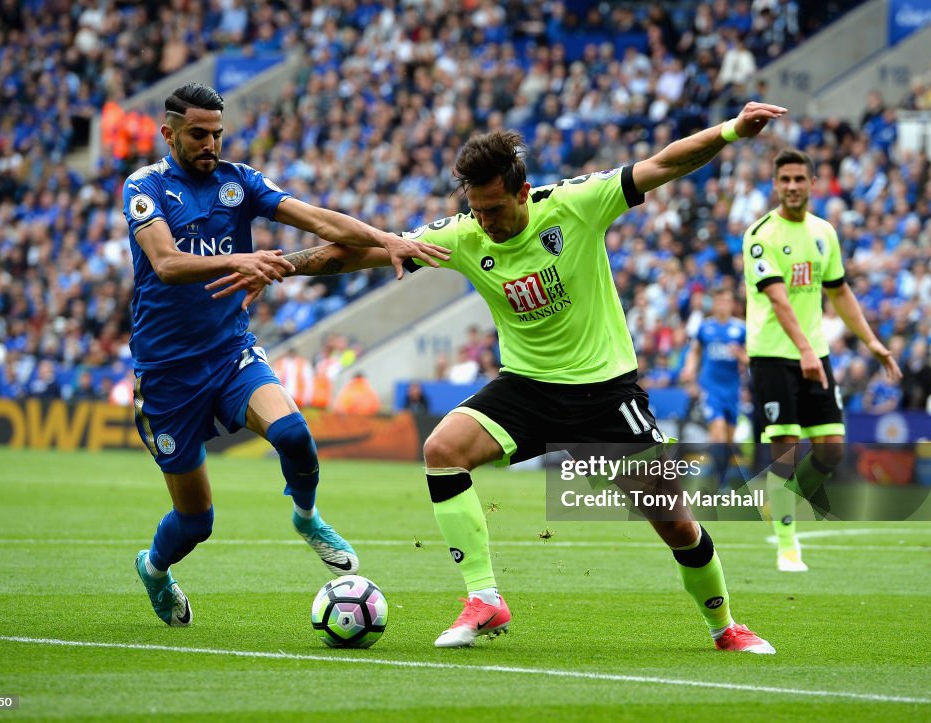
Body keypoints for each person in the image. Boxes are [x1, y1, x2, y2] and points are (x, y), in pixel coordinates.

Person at [218, 102, 788, 653]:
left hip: (604, 390)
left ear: (521, 192)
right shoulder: (464, 233)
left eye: (492, 208)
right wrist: (283, 265)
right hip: (527, 387)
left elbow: (665, 162)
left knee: (675, 522)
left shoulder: (576, 204)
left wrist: (732, 130)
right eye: (475, 209)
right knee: (442, 448)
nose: (483, 222)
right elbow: (359, 255)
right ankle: (484, 598)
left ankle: (726, 628)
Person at [123, 82, 448, 626]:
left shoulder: (239, 182)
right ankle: (155, 569)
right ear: (169, 133)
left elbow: (319, 220)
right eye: (198, 134)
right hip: (166, 374)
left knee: (294, 435)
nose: (210, 144)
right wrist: (243, 263)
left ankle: (307, 517)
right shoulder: (146, 187)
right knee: (196, 522)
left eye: (217, 134)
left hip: (230, 356)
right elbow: (167, 263)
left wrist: (386, 239)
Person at [743, 148, 901, 573]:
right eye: (785, 180)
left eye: (799, 179)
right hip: (774, 355)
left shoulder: (824, 233)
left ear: (814, 184)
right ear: (775, 185)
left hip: (815, 353)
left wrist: (871, 342)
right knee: (786, 451)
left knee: (832, 451)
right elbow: (778, 298)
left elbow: (840, 291)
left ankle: (781, 500)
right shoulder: (761, 235)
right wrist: (806, 350)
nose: (792, 186)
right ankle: (787, 544)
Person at [679, 287, 747, 489]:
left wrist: (740, 356)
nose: (722, 305)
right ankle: (718, 483)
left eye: (726, 301)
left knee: (728, 439)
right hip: (711, 388)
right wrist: (689, 368)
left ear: (732, 304)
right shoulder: (705, 328)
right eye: (719, 301)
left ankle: (721, 479)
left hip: (732, 390)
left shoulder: (741, 329)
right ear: (714, 304)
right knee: (717, 434)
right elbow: (695, 351)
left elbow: (750, 358)